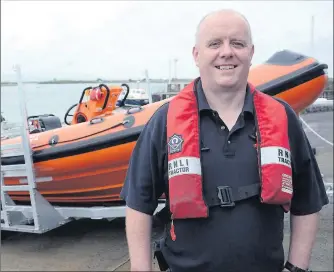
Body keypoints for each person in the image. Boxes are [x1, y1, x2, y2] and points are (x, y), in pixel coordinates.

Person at [120, 9, 329, 272]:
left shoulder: (282, 118)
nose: (227, 52)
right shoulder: (164, 121)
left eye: (237, 43)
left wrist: (296, 268)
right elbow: (138, 204)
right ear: (197, 55)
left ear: (251, 53)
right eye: (215, 43)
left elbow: (308, 200)